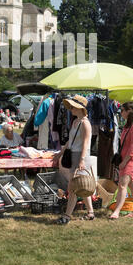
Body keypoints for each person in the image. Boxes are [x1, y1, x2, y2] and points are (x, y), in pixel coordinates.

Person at [55, 95, 95, 225]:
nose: (70, 109)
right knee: (82, 186)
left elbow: (85, 143)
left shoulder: (85, 123)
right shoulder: (75, 121)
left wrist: (82, 160)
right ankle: (90, 213)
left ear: (79, 108)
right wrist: (60, 153)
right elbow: (70, 141)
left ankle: (66, 216)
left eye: (72, 106)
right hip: (74, 155)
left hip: (80, 156)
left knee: (73, 187)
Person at [109, 101, 133, 220]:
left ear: (129, 111)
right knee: (132, 185)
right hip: (127, 159)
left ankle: (117, 211)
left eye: (122, 110)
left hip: (131, 160)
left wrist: (124, 162)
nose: (121, 113)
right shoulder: (128, 125)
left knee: (122, 185)